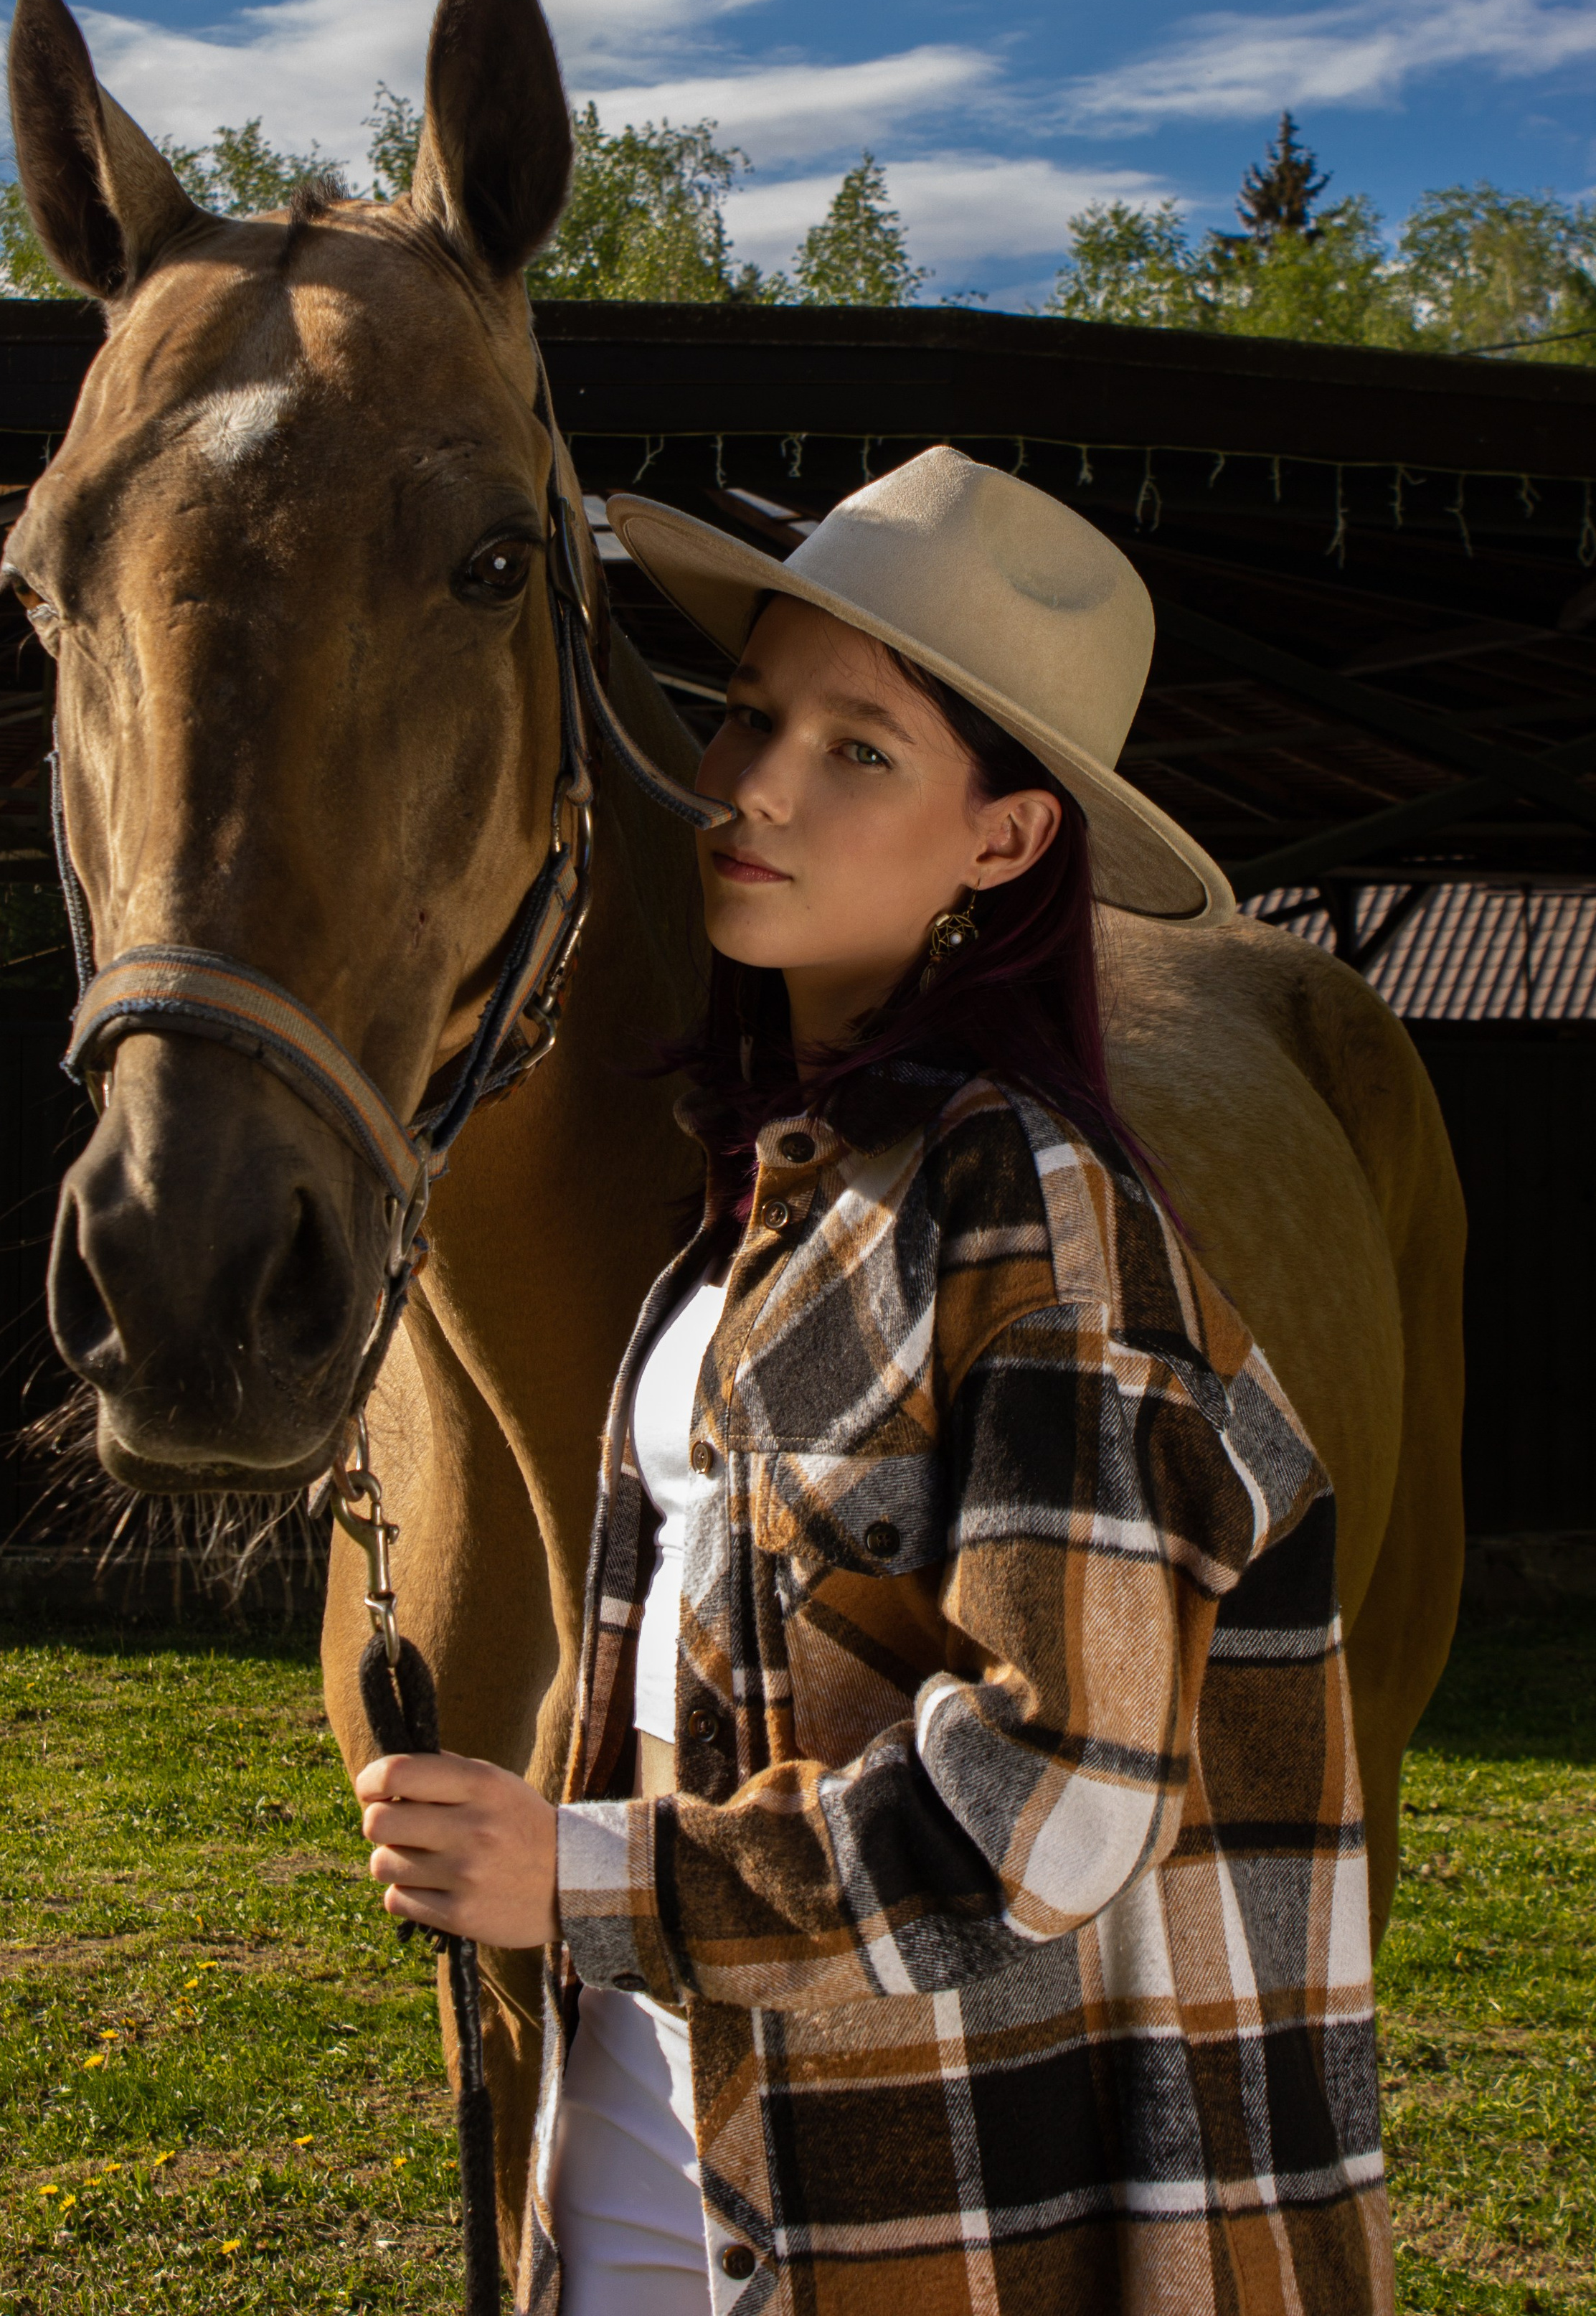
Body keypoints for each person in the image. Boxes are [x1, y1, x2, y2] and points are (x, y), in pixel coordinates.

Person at [356, 449, 1392, 2315]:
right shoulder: (786, 1187)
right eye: (751, 713)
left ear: (1004, 842)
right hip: (672, 2128)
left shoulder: (1032, 1221)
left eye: (859, 750)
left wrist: (578, 1879)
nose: (754, 784)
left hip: (921, 2201)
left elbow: (1057, 1800)